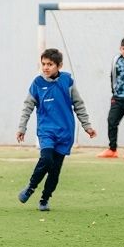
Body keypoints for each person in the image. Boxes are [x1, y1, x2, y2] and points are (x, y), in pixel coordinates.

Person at [17, 48, 96, 211]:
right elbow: (27, 107)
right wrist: (22, 127)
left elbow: (78, 104)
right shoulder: (37, 83)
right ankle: (31, 187)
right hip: (46, 131)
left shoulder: (67, 81)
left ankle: (45, 199)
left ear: (59, 65)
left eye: (50, 64)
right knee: (46, 159)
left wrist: (86, 126)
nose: (45, 67)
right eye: (43, 64)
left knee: (55, 169)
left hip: (65, 132)